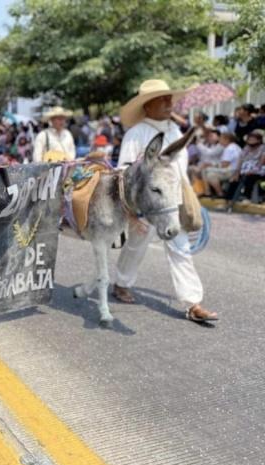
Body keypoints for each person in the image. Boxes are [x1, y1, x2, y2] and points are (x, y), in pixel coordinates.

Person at [113, 79, 218, 322]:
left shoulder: (175, 131)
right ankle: (121, 282)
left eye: (169, 97)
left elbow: (180, 168)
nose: (169, 101)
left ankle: (193, 303)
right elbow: (123, 171)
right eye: (162, 98)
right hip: (147, 205)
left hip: (172, 203)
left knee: (180, 248)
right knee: (137, 245)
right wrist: (130, 212)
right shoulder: (136, 133)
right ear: (147, 104)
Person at [226, 130, 265, 204]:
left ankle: (247, 197)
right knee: (234, 179)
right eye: (249, 139)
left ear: (259, 140)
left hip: (258, 170)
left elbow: (261, 162)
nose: (250, 140)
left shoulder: (263, 148)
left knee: (250, 178)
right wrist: (237, 173)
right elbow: (240, 160)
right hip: (245, 169)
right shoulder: (246, 148)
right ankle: (229, 199)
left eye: (253, 139)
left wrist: (253, 170)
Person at [202, 132, 242, 197]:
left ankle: (211, 192)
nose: (219, 140)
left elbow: (224, 165)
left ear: (227, 140)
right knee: (210, 175)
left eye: (221, 138)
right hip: (233, 170)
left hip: (231, 171)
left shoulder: (229, 148)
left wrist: (212, 165)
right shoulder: (236, 146)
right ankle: (218, 193)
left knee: (205, 170)